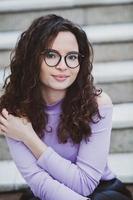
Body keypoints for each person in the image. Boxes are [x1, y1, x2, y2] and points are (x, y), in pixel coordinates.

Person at [0, 14, 132, 200]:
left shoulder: (97, 104)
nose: (63, 66)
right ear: (32, 60)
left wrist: (29, 137)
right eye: (51, 55)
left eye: (71, 57)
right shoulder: (14, 112)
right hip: (49, 191)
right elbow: (39, 181)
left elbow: (84, 185)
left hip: (100, 191)